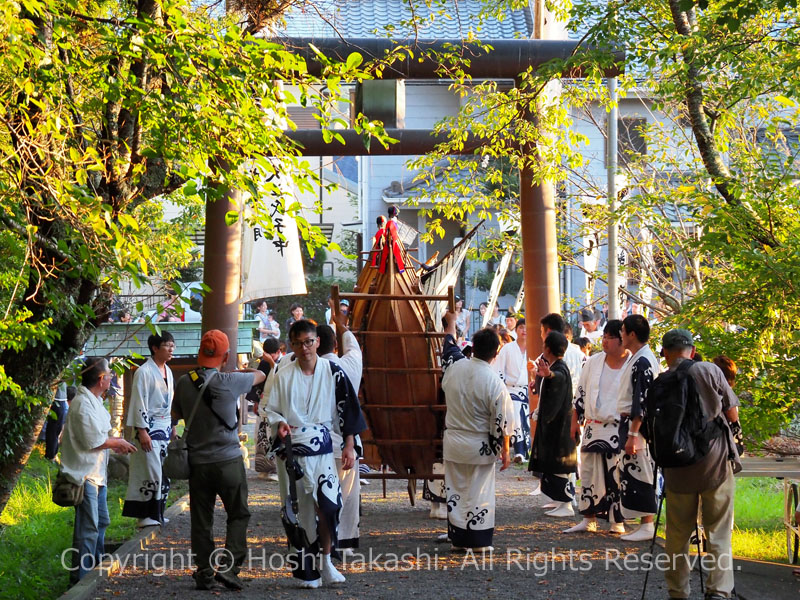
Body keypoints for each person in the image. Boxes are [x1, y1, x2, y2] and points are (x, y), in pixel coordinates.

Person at [264, 319, 367, 589]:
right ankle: (308, 571)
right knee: (301, 512)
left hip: (322, 450)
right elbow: (271, 411)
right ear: (292, 346)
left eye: (309, 342)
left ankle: (327, 560)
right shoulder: (283, 375)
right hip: (293, 451)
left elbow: (348, 410)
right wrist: (280, 424)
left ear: (317, 342)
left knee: (331, 506)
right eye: (298, 343)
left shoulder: (333, 371)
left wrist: (348, 445)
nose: (304, 348)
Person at [171, 330, 266, 590]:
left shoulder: (183, 382)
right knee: (238, 513)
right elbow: (261, 375)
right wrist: (238, 371)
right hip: (228, 461)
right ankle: (229, 568)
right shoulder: (230, 380)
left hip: (198, 464)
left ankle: (204, 572)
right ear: (225, 357)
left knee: (202, 519)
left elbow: (177, 413)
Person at [658, 329, 742, 600]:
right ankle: (718, 591)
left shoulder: (661, 381)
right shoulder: (709, 371)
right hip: (714, 465)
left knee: (677, 535)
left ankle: (678, 591)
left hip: (677, 468)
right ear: (692, 351)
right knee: (717, 531)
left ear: (665, 353)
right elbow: (732, 413)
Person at [440, 312, 513, 550]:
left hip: (454, 440)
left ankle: (459, 540)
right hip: (479, 443)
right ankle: (478, 541)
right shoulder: (494, 381)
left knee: (456, 490)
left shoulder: (455, 368)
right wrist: (505, 448)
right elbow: (502, 420)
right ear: (496, 352)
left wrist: (451, 323)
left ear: (472, 346)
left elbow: (448, 347)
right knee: (479, 491)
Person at [60, 357, 137, 584]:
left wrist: (115, 442)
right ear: (101, 378)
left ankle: (96, 571)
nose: (112, 377)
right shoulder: (83, 404)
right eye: (110, 374)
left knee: (101, 523)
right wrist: (117, 443)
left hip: (97, 474)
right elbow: (93, 441)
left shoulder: (94, 399)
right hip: (84, 476)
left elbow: (100, 437)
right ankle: (79, 580)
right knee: (88, 529)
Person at [566, 319, 629, 534]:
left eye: (610, 338)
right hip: (594, 425)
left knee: (616, 475)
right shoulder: (593, 362)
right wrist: (575, 421)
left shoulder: (633, 363)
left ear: (623, 340)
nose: (605, 341)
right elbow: (580, 394)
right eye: (604, 337)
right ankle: (589, 518)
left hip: (619, 427)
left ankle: (617, 521)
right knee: (590, 473)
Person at [316, 307, 364, 551]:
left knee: (321, 493)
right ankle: (343, 541)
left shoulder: (309, 370)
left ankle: (325, 541)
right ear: (335, 344)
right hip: (346, 441)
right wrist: (342, 324)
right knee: (346, 492)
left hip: (318, 442)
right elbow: (354, 346)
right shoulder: (350, 365)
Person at [122, 332, 175, 527]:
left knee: (163, 471)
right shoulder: (143, 372)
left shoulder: (168, 371)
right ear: (155, 348)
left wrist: (173, 427)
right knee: (149, 471)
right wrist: (141, 430)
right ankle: (144, 515)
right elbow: (138, 402)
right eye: (167, 345)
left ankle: (158, 512)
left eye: (172, 346)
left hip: (164, 426)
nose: (171, 349)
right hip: (149, 427)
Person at [615, 314, 660, 541]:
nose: (620, 335)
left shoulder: (643, 361)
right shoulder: (639, 358)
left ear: (632, 334)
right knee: (634, 472)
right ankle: (643, 522)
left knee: (641, 472)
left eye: (623, 331)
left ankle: (647, 523)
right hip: (632, 424)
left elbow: (640, 400)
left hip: (638, 427)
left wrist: (633, 434)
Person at [529, 331, 578, 518]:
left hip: (559, 427)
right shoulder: (557, 366)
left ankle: (566, 504)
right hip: (555, 425)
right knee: (554, 465)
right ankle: (560, 501)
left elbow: (556, 377)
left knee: (559, 465)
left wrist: (549, 375)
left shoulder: (560, 369)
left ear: (547, 348)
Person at [494, 318, 529, 463]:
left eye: (526, 328)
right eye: (521, 327)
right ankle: (519, 451)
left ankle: (527, 450)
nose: (524, 331)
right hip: (511, 390)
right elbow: (499, 370)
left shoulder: (534, 347)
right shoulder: (507, 349)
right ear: (516, 330)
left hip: (529, 389)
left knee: (528, 420)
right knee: (515, 419)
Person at [252, 337, 282, 481]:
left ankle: (276, 469)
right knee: (261, 436)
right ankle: (264, 468)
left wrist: (272, 364)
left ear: (278, 352)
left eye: (272, 354)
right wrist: (256, 401)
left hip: (277, 405)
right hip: (264, 403)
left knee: (273, 436)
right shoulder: (264, 363)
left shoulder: (285, 363)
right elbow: (258, 383)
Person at [44, 382, 69, 461]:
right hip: (57, 399)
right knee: (54, 429)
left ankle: (52, 454)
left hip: (60, 399)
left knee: (55, 429)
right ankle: (51, 455)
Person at [378, 205, 405, 274]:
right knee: (401, 253)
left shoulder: (389, 222)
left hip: (390, 243)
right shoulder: (392, 223)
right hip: (393, 243)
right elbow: (393, 235)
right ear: (395, 214)